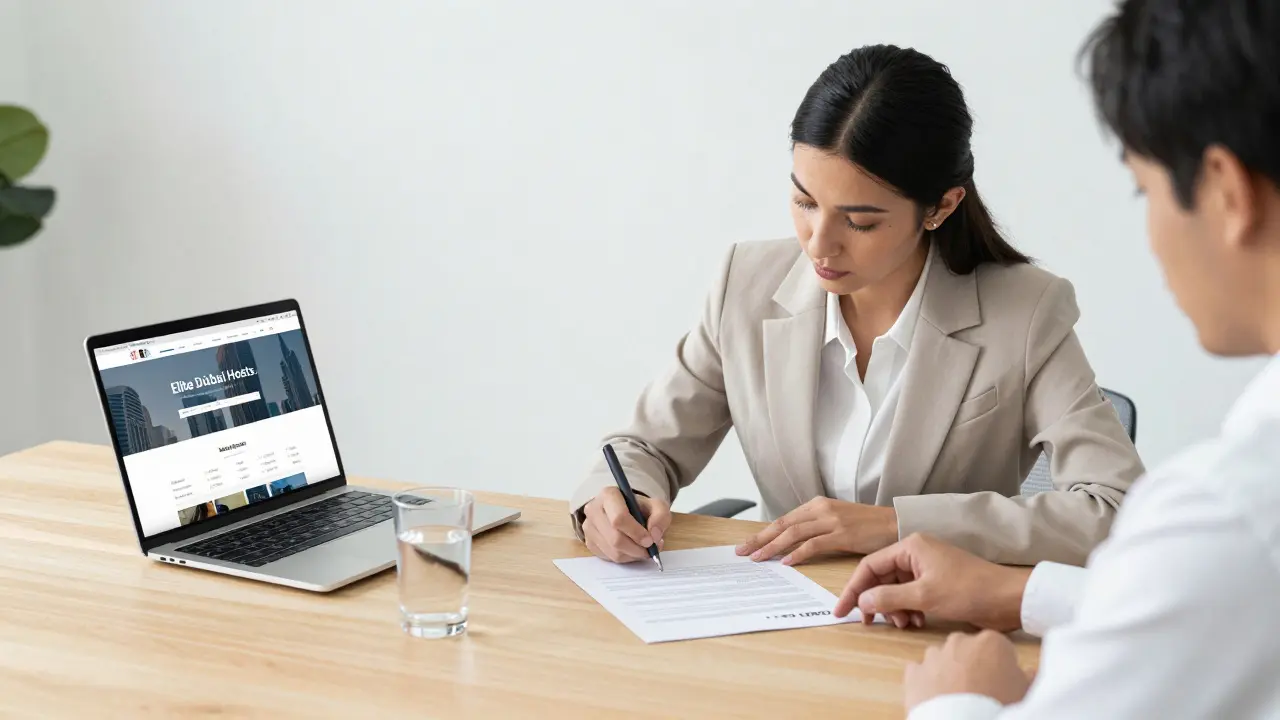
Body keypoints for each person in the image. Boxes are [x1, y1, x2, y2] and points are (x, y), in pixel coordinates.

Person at [832, 1, 1280, 717]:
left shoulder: (1226, 514)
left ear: (1226, 192)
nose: (822, 243)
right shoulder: (1230, 529)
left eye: (1146, 188)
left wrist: (961, 702)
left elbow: (1160, 550)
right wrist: (1019, 592)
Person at [569, 44, 1144, 569]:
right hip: (779, 621)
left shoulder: (1025, 312)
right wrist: (616, 500)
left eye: (860, 221)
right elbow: (643, 447)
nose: (818, 243)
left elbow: (1115, 509)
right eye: (804, 201)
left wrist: (895, 526)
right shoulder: (744, 285)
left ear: (940, 207)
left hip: (934, 631)